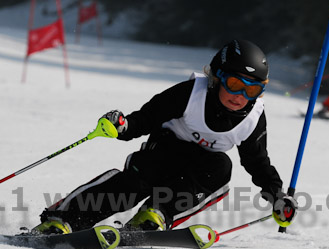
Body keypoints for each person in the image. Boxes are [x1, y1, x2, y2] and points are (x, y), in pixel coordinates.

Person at [30, 39, 298, 235]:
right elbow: (145, 118)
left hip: (199, 171)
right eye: (235, 84)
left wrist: (277, 195)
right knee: (133, 185)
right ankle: (63, 219)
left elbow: (257, 161)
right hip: (163, 153)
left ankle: (156, 215)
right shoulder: (190, 93)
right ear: (216, 78)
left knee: (220, 168)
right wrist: (122, 126)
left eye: (252, 90)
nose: (241, 96)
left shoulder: (253, 117)